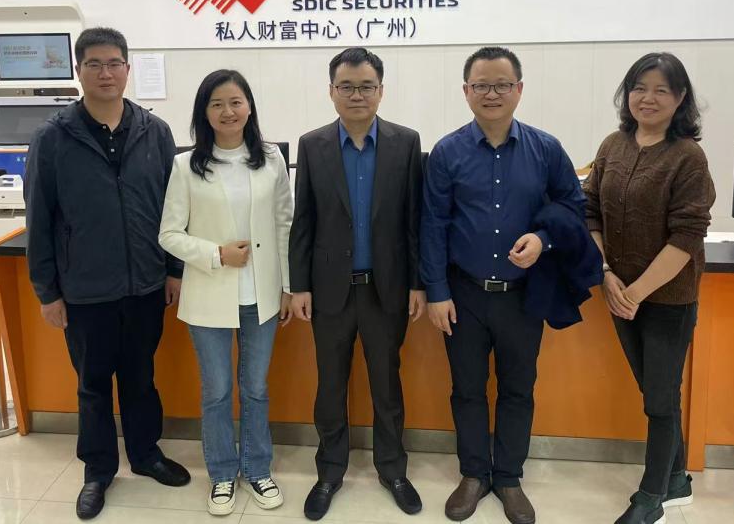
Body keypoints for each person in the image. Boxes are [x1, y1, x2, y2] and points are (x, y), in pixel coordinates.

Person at [24, 27, 190, 521]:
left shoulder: (154, 132)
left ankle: (146, 455)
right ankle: (97, 471)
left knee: (141, 377)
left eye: (114, 63)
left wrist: (173, 270)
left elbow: (174, 209)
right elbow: (39, 218)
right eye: (94, 64)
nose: (105, 73)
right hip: (85, 288)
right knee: (93, 385)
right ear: (78, 71)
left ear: (127, 69)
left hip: (145, 284)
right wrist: (47, 291)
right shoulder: (53, 137)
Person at [422, 46, 588, 524]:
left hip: (523, 296)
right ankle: (474, 474)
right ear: (466, 91)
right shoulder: (447, 152)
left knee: (518, 388)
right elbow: (432, 224)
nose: (491, 94)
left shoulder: (546, 149)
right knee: (467, 389)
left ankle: (509, 477)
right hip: (464, 295)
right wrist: (436, 291)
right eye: (481, 85)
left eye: (501, 84)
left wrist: (543, 239)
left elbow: (573, 207)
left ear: (519, 89)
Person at [289, 47, 426, 521]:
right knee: (330, 386)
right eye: (346, 86)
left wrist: (417, 283)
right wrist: (299, 286)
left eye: (366, 86)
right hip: (330, 289)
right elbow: (304, 220)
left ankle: (393, 470)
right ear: (331, 91)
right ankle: (329, 472)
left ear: (381, 91)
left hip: (386, 289)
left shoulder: (406, 143)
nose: (356, 95)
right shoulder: (312, 145)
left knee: (387, 384)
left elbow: (414, 221)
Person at [584, 52, 715, 524]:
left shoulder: (687, 157)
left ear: (680, 99)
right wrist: (605, 273)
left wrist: (635, 292)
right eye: (640, 88)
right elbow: (589, 211)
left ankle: (651, 497)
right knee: (655, 392)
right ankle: (676, 477)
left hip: (666, 300)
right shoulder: (612, 145)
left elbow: (687, 236)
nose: (648, 98)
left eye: (661, 89)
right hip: (618, 291)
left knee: (659, 400)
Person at [159, 70, 293, 516]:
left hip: (262, 296)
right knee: (216, 390)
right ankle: (221, 473)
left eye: (235, 102)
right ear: (204, 113)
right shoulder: (186, 166)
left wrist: (288, 286)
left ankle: (257, 468)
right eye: (216, 104)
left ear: (249, 107)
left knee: (255, 388)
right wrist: (216, 254)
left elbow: (285, 224)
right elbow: (169, 234)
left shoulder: (271, 159)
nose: (228, 111)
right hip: (209, 295)